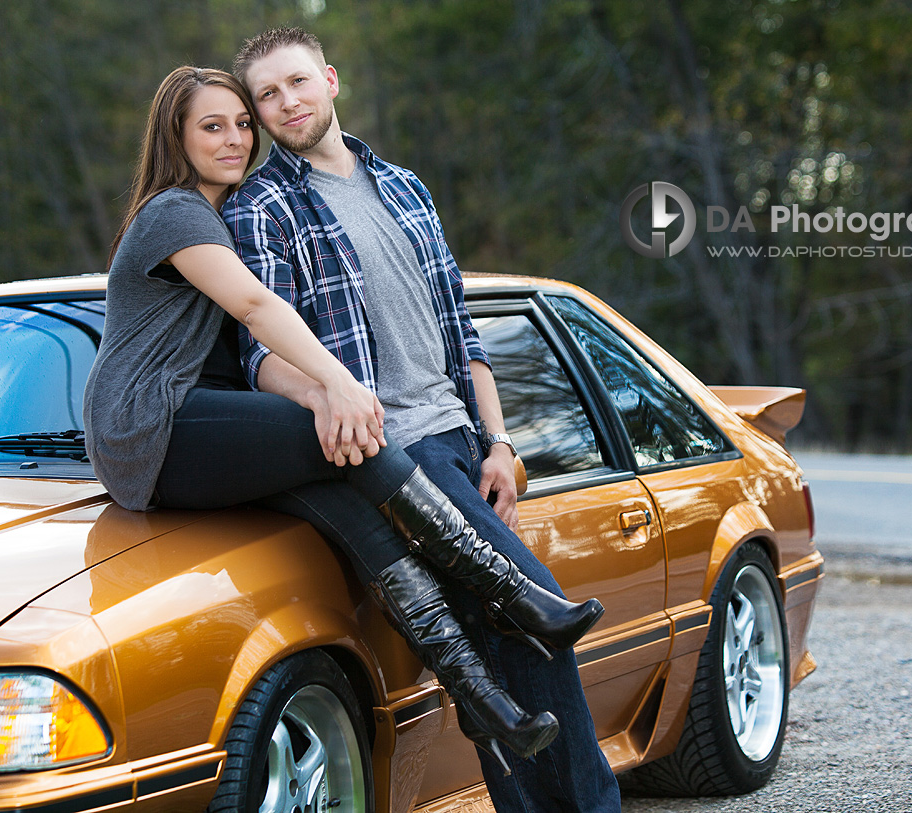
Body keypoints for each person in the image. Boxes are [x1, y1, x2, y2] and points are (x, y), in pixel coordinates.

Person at [81, 66, 604, 778]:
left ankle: (481, 699)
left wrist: (329, 396)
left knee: (354, 515)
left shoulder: (224, 214)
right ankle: (514, 591)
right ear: (174, 136)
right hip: (150, 424)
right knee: (351, 439)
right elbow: (258, 310)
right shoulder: (176, 211)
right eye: (213, 126)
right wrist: (338, 385)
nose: (235, 138)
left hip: (200, 425)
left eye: (242, 122)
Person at [223, 28, 623, 812]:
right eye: (267, 96)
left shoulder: (405, 187)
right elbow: (256, 353)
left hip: (462, 440)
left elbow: (461, 332)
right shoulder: (260, 207)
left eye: (297, 83)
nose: (286, 104)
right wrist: (329, 393)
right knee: (528, 617)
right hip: (391, 452)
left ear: (331, 81)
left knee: (496, 646)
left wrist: (500, 441)